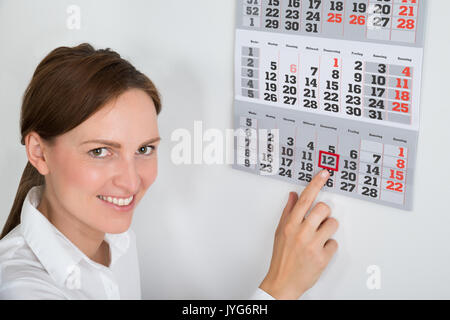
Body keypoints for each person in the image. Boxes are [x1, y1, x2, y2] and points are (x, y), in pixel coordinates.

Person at [0, 43, 338, 300]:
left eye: (144, 149)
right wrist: (279, 288)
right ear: (38, 152)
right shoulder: (21, 287)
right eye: (100, 151)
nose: (132, 181)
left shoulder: (115, 237)